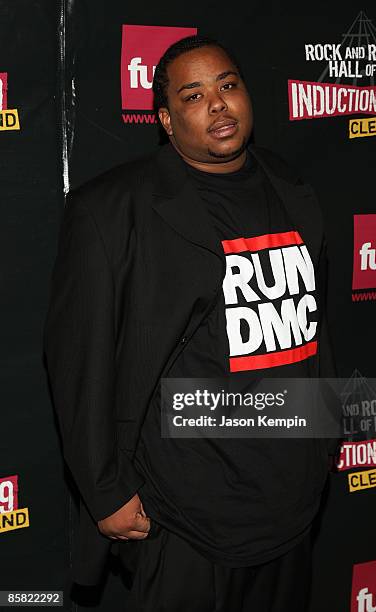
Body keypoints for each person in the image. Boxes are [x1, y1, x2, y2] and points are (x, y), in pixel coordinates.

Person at [44, 35, 337, 611]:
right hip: (184, 517)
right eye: (194, 95)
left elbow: (314, 325)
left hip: (291, 504)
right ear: (165, 118)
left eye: (228, 86)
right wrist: (105, 492)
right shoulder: (110, 210)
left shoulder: (293, 189)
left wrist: (322, 434)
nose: (219, 105)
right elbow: (78, 362)